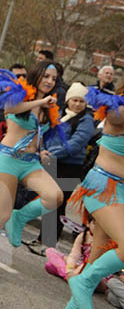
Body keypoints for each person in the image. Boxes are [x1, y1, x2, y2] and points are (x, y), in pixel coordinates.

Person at [0, 62, 65, 280]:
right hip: (8, 160)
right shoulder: (19, 92)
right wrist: (40, 102)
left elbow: (36, 133)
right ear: (36, 75)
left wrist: (41, 151)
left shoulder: (50, 106)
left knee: (55, 196)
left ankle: (20, 218)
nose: (50, 81)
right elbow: (11, 109)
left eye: (54, 78)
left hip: (31, 163)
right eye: (46, 76)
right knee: (1, 214)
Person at [63, 83, 124, 309]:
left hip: (119, 191)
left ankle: (76, 306)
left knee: (98, 251)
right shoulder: (118, 109)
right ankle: (85, 282)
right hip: (103, 187)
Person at [36, 82, 95, 250]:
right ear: (68, 100)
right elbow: (47, 133)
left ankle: (47, 243)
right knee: (49, 201)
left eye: (81, 101)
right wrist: (43, 150)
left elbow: (76, 144)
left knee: (58, 204)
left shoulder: (86, 120)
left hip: (70, 167)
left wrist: (51, 152)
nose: (77, 104)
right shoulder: (59, 114)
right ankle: (42, 240)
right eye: (74, 100)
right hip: (53, 163)